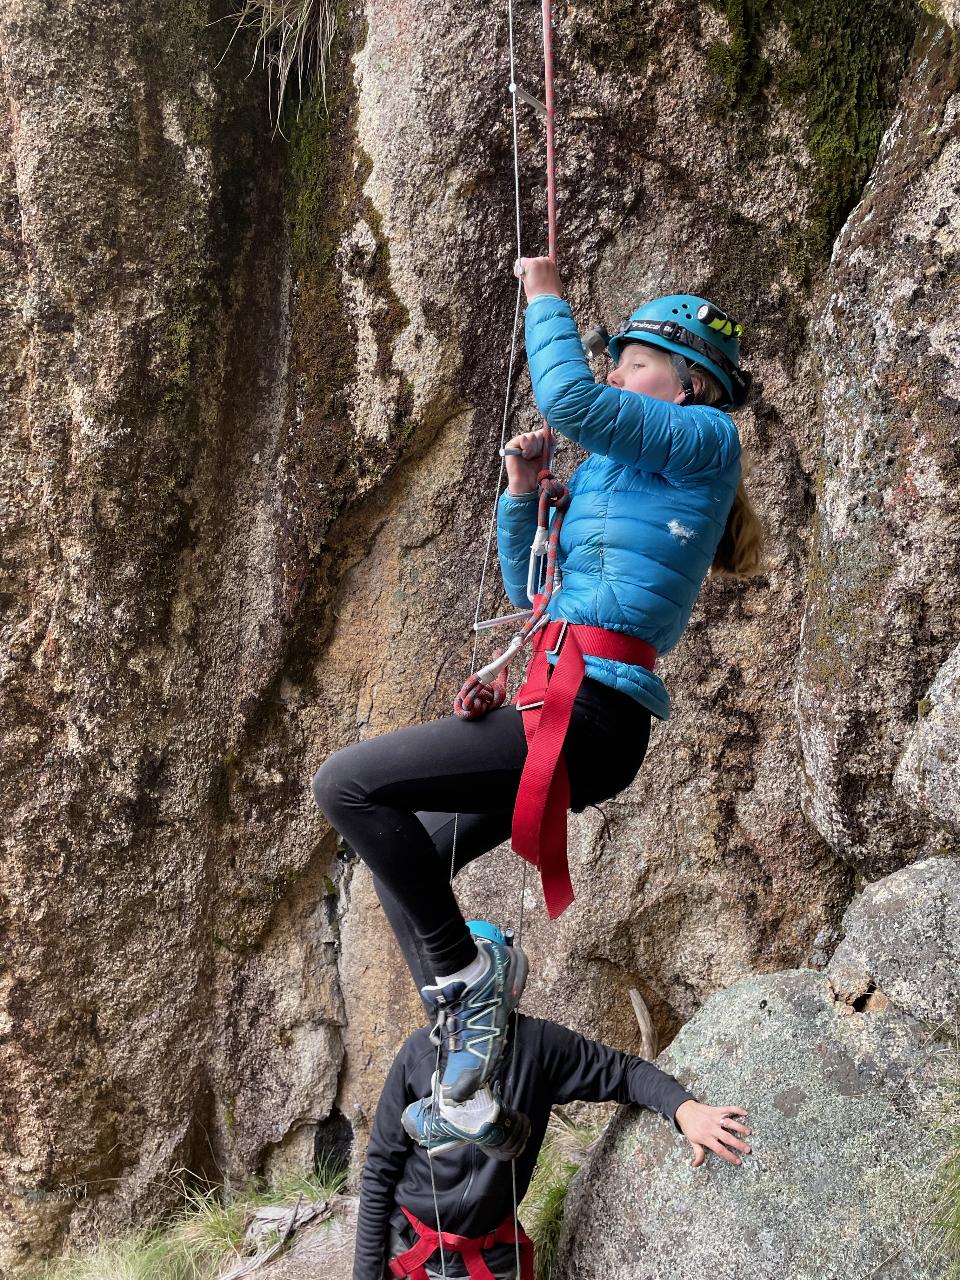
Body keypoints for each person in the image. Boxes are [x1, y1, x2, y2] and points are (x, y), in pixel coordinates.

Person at [312, 260, 763, 1110]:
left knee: (348, 785)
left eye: (634, 361)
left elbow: (571, 401)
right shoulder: (604, 476)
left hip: (593, 711)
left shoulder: (710, 442)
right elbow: (535, 597)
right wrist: (521, 496)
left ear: (690, 382)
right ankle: (473, 1051)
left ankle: (465, 988)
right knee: (409, 853)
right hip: (564, 698)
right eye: (619, 359)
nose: (619, 372)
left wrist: (544, 294)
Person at [355, 921, 753, 1280]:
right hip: (408, 1246)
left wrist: (685, 1110)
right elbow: (380, 1169)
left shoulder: (540, 1048)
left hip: (492, 1255)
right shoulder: (418, 1054)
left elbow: (624, 1073)